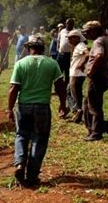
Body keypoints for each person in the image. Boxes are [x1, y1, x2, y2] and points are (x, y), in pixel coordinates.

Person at [7, 37, 66, 186]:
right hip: (42, 108)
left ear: (28, 49)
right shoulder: (52, 64)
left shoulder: (20, 64)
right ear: (43, 49)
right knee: (39, 139)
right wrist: (63, 105)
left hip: (23, 106)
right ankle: (32, 176)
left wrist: (9, 108)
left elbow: (14, 88)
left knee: (21, 135)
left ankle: (20, 163)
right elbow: (60, 86)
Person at [82, 21, 108, 141]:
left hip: (97, 77)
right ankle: (101, 127)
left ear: (95, 30)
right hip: (106, 76)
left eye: (87, 32)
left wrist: (91, 70)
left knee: (93, 106)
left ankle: (96, 133)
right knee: (91, 102)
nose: (86, 35)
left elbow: (100, 55)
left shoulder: (98, 41)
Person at [67, 30, 89, 123]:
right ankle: (76, 110)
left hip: (77, 74)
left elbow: (87, 54)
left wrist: (80, 64)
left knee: (76, 94)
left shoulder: (81, 46)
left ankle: (79, 111)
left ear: (77, 38)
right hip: (74, 73)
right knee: (69, 91)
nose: (69, 40)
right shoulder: (77, 46)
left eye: (71, 38)